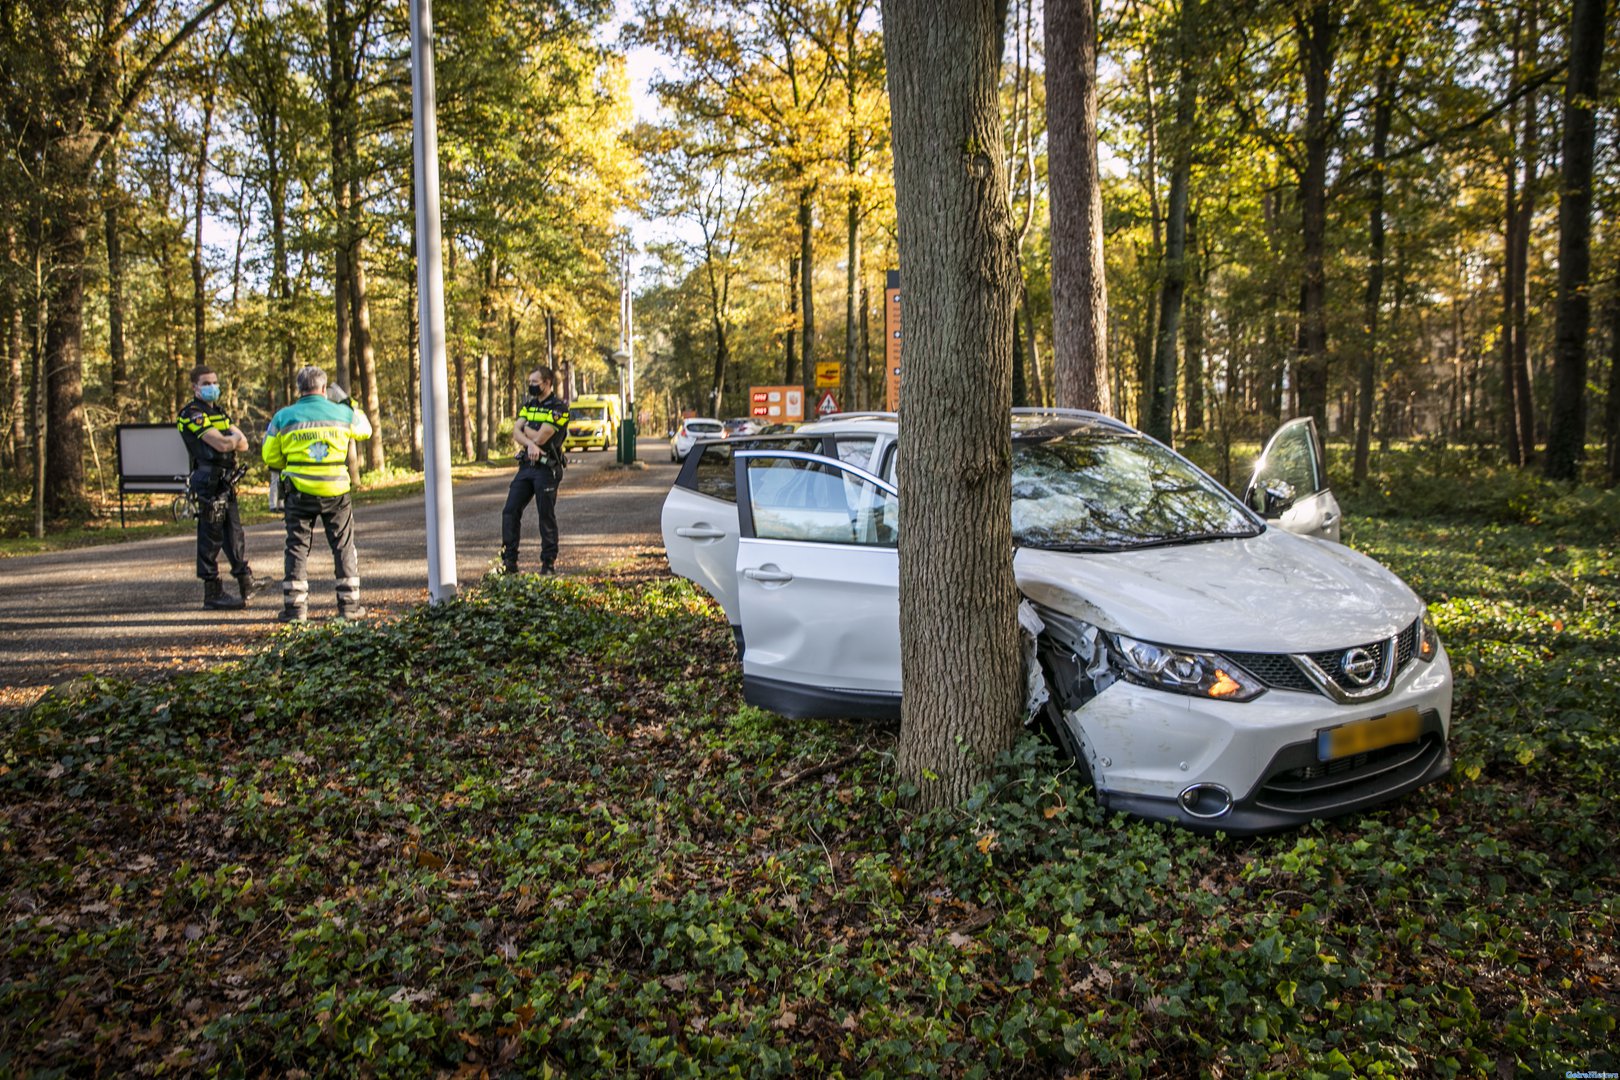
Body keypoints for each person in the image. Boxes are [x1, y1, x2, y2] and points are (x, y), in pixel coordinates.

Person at [261, 365, 373, 622]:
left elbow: (270, 456)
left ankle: (295, 610)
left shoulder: (283, 417)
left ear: (299, 389)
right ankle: (349, 607)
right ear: (324, 389)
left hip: (299, 492)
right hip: (336, 491)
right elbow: (365, 430)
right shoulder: (343, 413)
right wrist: (350, 403)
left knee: (297, 547)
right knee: (343, 546)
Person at [176, 364, 263, 610]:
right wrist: (231, 440)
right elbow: (223, 444)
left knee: (233, 532)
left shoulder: (219, 412)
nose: (212, 387)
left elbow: (243, 444)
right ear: (194, 387)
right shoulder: (192, 414)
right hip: (208, 480)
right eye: (206, 383)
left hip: (225, 479)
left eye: (214, 382)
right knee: (211, 534)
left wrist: (230, 440)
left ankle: (246, 581)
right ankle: (212, 591)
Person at [501, 367, 570, 574]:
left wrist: (528, 433)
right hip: (526, 467)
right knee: (510, 511)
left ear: (547, 383)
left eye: (535, 382)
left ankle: (548, 564)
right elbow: (516, 432)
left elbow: (542, 437)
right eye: (530, 381)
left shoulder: (559, 408)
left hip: (547, 468)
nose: (531, 385)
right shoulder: (529, 405)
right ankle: (509, 562)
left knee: (545, 515)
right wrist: (530, 443)